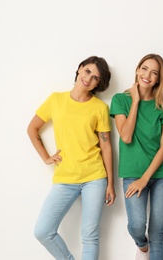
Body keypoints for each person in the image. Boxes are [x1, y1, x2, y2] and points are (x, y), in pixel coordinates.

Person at [27, 56, 115, 260]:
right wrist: (46, 157)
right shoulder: (56, 100)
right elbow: (32, 128)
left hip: (94, 177)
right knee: (43, 231)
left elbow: (106, 146)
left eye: (95, 78)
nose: (88, 79)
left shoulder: (99, 108)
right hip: (65, 178)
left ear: (98, 84)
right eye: (87, 72)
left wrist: (110, 183)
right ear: (79, 69)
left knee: (90, 236)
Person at [110, 54, 163, 260]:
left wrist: (145, 178)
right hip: (132, 172)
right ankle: (142, 246)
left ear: (158, 79)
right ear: (137, 70)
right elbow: (126, 136)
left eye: (154, 72)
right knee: (137, 225)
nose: (147, 75)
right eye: (144, 68)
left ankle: (150, 247)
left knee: (158, 232)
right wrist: (136, 101)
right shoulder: (120, 100)